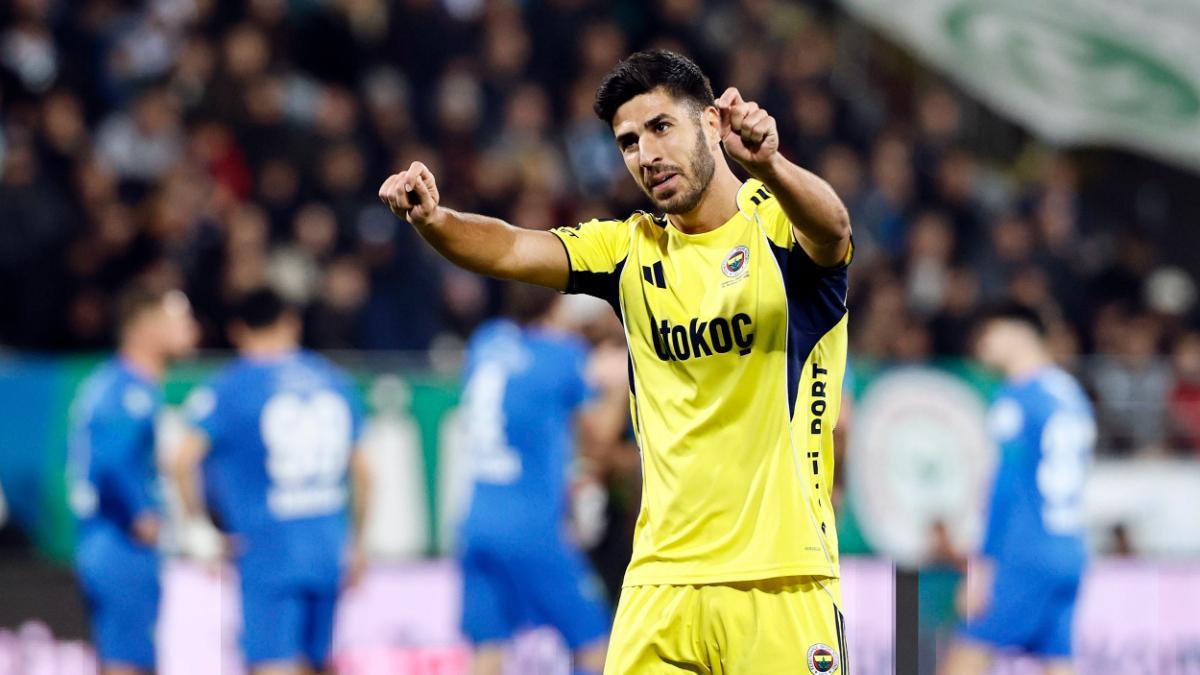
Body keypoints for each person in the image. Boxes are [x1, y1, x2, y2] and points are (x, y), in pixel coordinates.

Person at [379, 49, 854, 673]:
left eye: (661, 128)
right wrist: (435, 220)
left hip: (780, 577)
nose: (645, 155)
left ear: (711, 123)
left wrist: (771, 164)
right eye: (628, 142)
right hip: (660, 584)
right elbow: (514, 249)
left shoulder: (779, 230)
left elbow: (834, 231)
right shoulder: (628, 251)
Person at [168, 288, 371, 675]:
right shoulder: (333, 380)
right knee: (317, 664)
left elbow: (182, 458)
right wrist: (358, 544)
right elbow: (365, 470)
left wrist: (197, 528)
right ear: (291, 323)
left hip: (268, 549)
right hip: (326, 545)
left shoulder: (232, 385)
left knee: (271, 663)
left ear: (238, 330)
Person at [457, 283, 628, 675]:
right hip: (531, 526)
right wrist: (619, 385)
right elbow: (598, 437)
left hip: (477, 520)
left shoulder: (487, 341)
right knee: (595, 642)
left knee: (487, 649)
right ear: (557, 307)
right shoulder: (564, 357)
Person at [938, 302, 1096, 675]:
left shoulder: (1016, 398)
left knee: (964, 660)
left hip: (1024, 551)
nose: (980, 347)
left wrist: (982, 567)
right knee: (1059, 663)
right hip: (1069, 548)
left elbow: (1004, 488)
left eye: (987, 334)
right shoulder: (1071, 393)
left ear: (1018, 331)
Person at [67, 284, 198, 675]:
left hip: (111, 543)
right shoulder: (128, 392)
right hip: (119, 545)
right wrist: (142, 515)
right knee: (127, 662)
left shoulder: (118, 385)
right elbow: (109, 461)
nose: (193, 329)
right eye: (181, 320)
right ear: (146, 328)